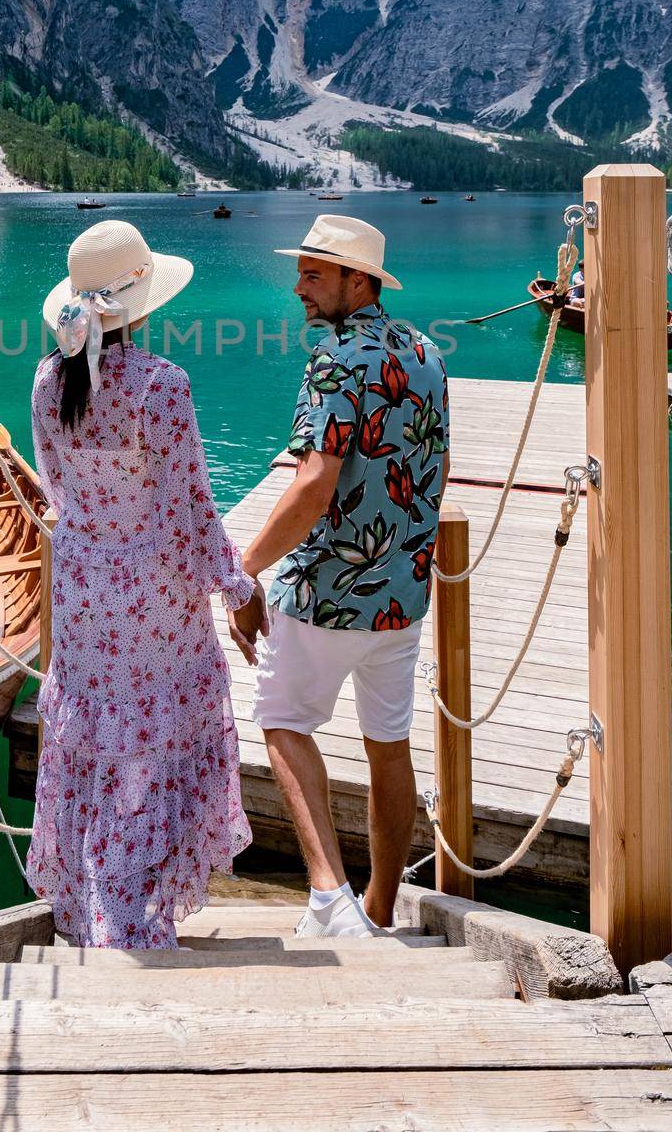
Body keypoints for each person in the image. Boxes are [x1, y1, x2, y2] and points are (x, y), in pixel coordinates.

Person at [27, 219, 265, 948]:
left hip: (80, 600)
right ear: (144, 302)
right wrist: (240, 589)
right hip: (152, 603)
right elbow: (190, 510)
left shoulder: (47, 380)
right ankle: (126, 916)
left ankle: (96, 902)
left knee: (97, 740)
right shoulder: (162, 385)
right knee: (151, 745)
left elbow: (57, 493)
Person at [238, 215, 449, 937]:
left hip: (328, 591)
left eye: (313, 275)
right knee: (387, 743)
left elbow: (312, 486)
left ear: (356, 282)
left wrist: (243, 569)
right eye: (299, 272)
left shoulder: (335, 360)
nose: (298, 288)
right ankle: (379, 910)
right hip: (403, 594)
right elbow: (428, 464)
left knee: (283, 723)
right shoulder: (425, 350)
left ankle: (331, 900)